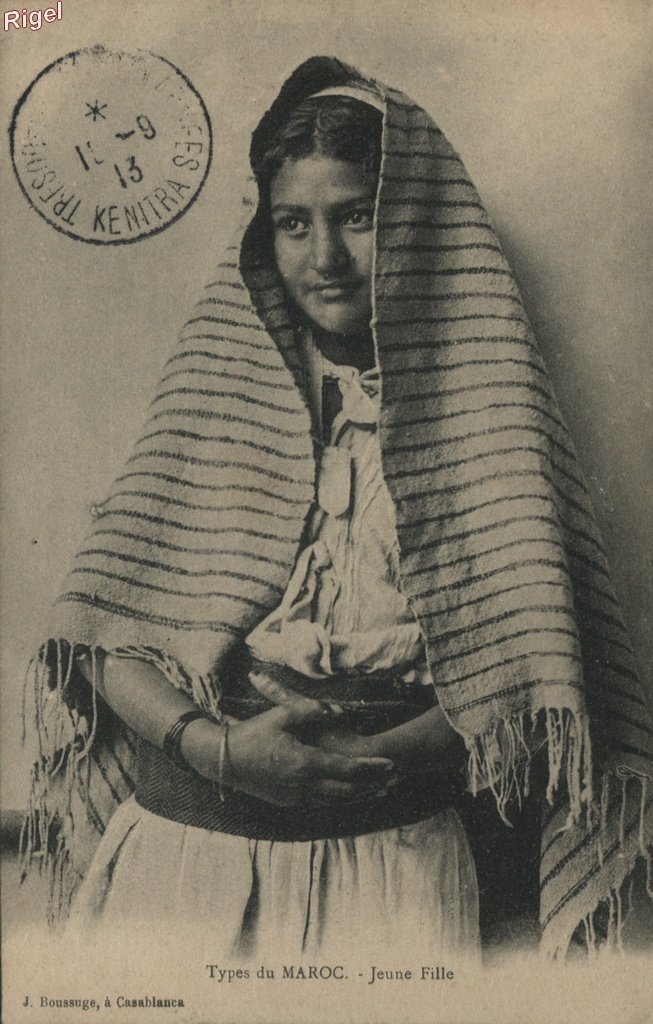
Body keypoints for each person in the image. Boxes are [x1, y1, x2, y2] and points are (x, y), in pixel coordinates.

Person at [21, 56, 652, 963]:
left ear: (416, 224)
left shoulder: (489, 420)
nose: (324, 258)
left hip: (391, 862)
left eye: (357, 216)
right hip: (183, 861)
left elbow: (530, 671)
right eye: (293, 223)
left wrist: (359, 764)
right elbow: (108, 638)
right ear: (265, 236)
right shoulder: (218, 400)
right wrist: (219, 753)